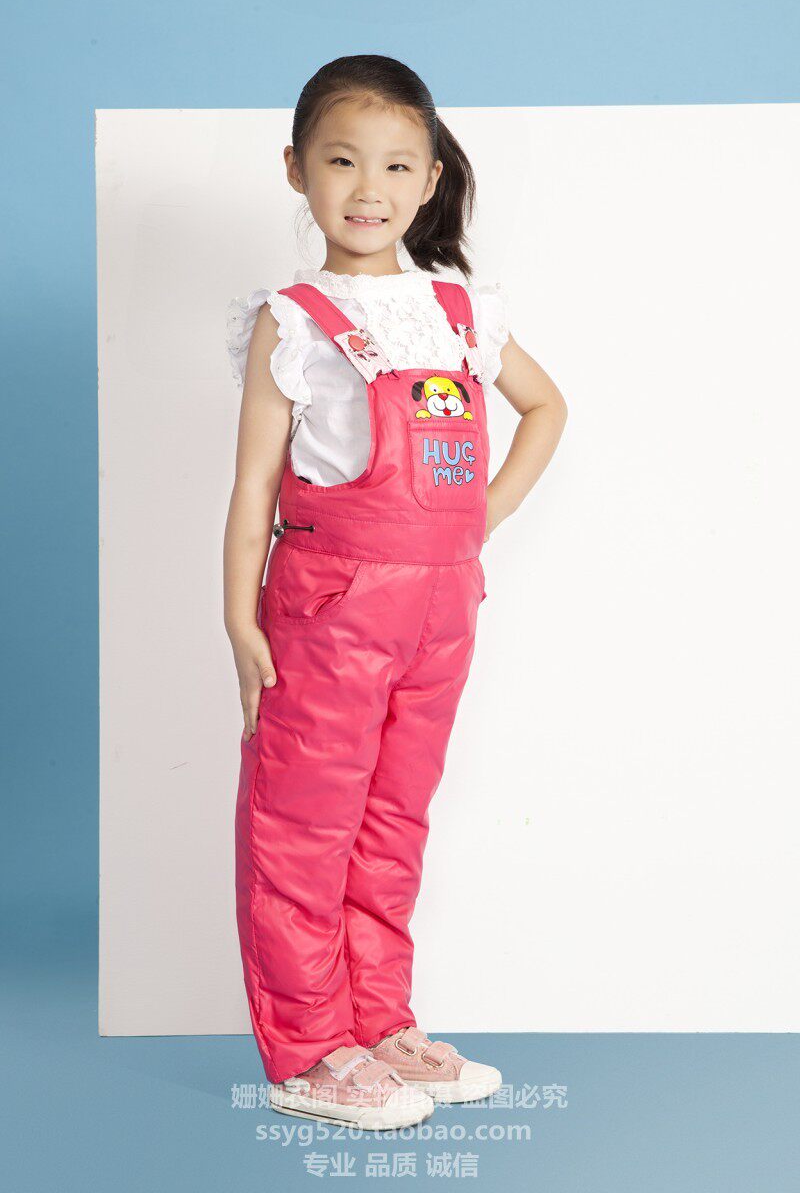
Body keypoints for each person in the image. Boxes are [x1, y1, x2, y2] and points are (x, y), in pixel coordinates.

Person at [223, 54, 568, 1130]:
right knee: (303, 823)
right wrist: (237, 618)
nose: (366, 188)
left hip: (439, 611)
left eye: (394, 165)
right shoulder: (295, 319)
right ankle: (308, 1051)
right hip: (328, 610)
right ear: (296, 170)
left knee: (390, 821)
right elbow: (253, 487)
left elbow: (547, 408)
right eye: (340, 161)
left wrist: (474, 522)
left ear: (429, 180)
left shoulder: (461, 311)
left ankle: (376, 1024)